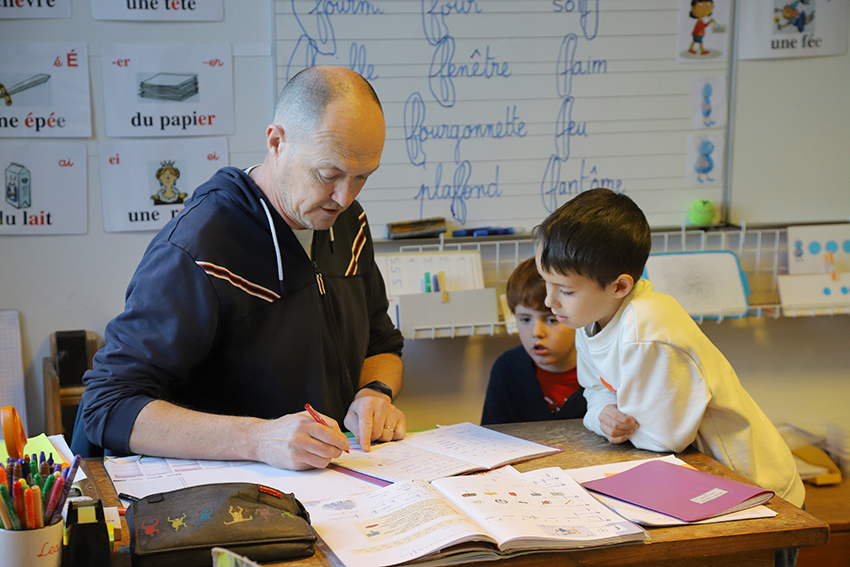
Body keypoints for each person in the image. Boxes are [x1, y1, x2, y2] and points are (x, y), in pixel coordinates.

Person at [79, 66, 405, 471]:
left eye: (362, 177)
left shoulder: (348, 223)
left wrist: (374, 392)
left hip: (334, 481)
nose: (344, 196)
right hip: (230, 501)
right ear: (276, 142)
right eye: (329, 174)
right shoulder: (199, 246)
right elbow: (107, 406)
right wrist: (258, 439)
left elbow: (381, 344)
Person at [534, 188, 804, 565]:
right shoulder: (589, 316)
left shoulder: (648, 329)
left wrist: (614, 416)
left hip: (756, 494)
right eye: (546, 282)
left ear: (620, 286)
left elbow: (662, 439)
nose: (549, 301)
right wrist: (602, 415)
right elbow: (594, 389)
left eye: (564, 289)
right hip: (700, 484)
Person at [481, 257, 585, 425]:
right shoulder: (507, 368)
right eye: (525, 319)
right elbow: (490, 439)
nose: (536, 333)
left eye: (551, 320)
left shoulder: (602, 369)